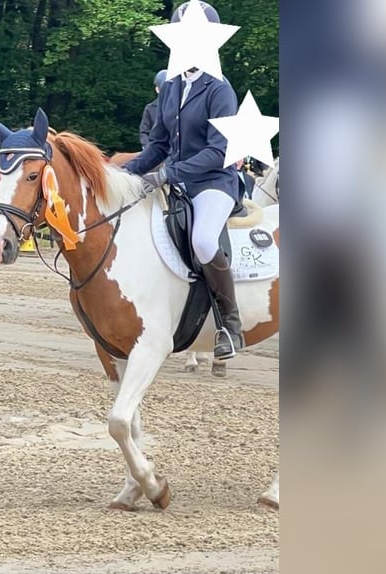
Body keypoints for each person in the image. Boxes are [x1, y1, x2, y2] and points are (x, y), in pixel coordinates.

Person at [123, 1, 243, 360]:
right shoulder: (173, 86)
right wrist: (127, 171)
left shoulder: (220, 90)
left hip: (213, 182)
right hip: (177, 181)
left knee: (204, 240)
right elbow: (159, 142)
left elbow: (218, 150)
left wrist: (167, 173)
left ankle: (229, 324)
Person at [139, 69, 168, 149]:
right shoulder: (150, 108)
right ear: (157, 89)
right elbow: (144, 132)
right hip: (155, 148)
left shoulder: (179, 108)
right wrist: (148, 147)